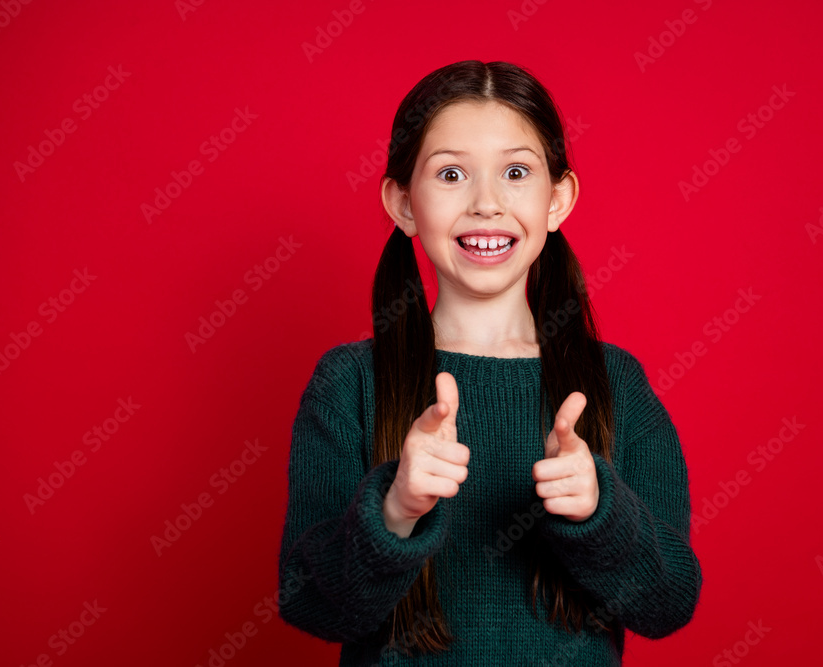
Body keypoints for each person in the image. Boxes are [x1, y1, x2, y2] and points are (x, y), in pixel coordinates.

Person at [278, 59, 702, 665]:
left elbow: (668, 604)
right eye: (451, 173)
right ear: (402, 202)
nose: (486, 203)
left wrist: (598, 510)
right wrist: (394, 509)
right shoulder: (348, 383)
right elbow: (309, 605)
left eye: (516, 172)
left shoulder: (617, 383)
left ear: (558, 200)